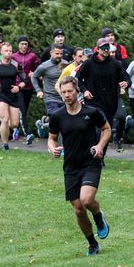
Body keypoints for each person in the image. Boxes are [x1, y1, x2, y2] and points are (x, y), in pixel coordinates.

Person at [48, 76, 111, 256]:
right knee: (78, 209)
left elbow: (107, 129)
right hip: (71, 167)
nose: (67, 95)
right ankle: (92, 243)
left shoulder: (91, 112)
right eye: (64, 92)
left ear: (77, 92)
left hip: (90, 163)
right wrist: (53, 149)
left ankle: (98, 216)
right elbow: (51, 139)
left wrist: (100, 146)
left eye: (70, 91)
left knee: (86, 200)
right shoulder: (57, 116)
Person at [76, 38, 129, 152]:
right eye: (103, 48)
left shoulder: (115, 64)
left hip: (110, 102)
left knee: (107, 130)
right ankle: (93, 151)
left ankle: (100, 155)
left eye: (107, 48)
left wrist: (126, 83)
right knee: (98, 127)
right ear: (98, 49)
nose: (106, 50)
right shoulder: (89, 63)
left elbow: (126, 78)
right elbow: (77, 79)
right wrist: (84, 90)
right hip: (93, 101)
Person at [0, 43, 27, 151]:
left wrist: (19, 87)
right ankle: (5, 144)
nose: (8, 53)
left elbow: (25, 80)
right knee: (5, 119)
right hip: (0, 95)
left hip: (13, 95)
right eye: (6, 51)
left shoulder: (16, 65)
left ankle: (2, 127)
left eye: (10, 51)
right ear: (1, 52)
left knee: (14, 124)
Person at [32, 43, 68, 137]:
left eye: (61, 54)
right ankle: (59, 146)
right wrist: (38, 90)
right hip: (50, 97)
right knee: (59, 120)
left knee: (60, 119)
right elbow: (34, 77)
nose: (59, 56)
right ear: (51, 52)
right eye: (57, 53)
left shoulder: (65, 64)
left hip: (63, 97)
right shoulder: (44, 66)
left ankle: (43, 124)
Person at [12, 36, 40, 145]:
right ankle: (28, 134)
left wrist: (34, 73)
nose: (24, 46)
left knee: (24, 110)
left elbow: (39, 67)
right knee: (22, 110)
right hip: (17, 86)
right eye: (22, 44)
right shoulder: (14, 56)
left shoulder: (32, 56)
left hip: (28, 87)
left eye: (26, 44)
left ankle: (16, 128)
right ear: (18, 45)